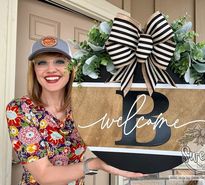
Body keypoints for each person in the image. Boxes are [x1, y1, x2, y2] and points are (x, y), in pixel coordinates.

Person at [6, 36, 144, 185]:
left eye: (60, 61)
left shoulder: (86, 105)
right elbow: (44, 175)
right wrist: (96, 163)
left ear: (71, 67)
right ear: (34, 69)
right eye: (42, 63)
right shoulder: (20, 109)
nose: (51, 69)